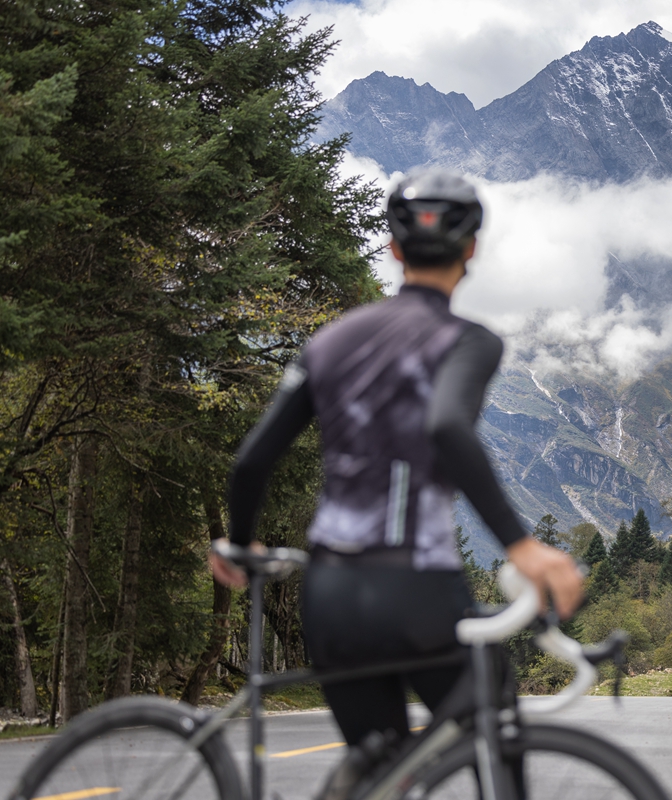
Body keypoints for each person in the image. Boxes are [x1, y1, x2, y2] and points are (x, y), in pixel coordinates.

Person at [210, 170, 584, 750]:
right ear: (472, 250)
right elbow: (446, 427)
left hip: (332, 592)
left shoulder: (330, 341)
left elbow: (251, 463)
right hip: (416, 585)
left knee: (377, 762)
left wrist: (240, 542)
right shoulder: (468, 341)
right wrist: (521, 544)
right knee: (495, 731)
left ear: (394, 248)